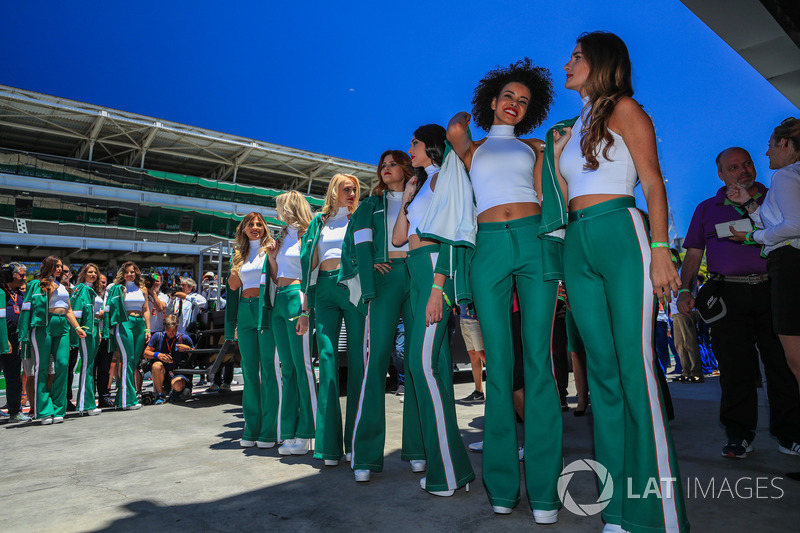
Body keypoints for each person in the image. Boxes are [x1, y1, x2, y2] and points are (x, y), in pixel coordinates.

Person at [547, 32, 689, 532]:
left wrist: (660, 250)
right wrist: (561, 153)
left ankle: (660, 516)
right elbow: (569, 195)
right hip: (578, 241)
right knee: (602, 377)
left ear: (600, 62)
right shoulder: (573, 124)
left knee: (636, 371)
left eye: (576, 57)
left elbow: (651, 181)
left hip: (621, 231)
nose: (567, 63)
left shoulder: (625, 108)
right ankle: (620, 510)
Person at [447, 58, 560, 520]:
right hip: (488, 247)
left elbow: (546, 195)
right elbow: (454, 125)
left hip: (534, 241)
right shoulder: (469, 148)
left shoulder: (535, 146)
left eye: (524, 100)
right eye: (508, 96)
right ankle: (501, 486)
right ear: (492, 101)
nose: (516, 104)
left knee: (539, 362)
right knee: (498, 365)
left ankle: (547, 492)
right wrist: (469, 129)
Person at [679, 145, 800, 459]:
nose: (742, 170)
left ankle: (790, 435)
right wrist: (684, 289)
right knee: (735, 369)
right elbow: (693, 254)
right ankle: (738, 435)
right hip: (727, 296)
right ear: (720, 175)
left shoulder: (777, 197)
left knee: (783, 367)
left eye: (747, 164)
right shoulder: (707, 208)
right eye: (733, 167)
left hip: (775, 291)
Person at [391, 124, 475, 497]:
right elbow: (397, 239)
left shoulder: (446, 177)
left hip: (431, 270)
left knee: (423, 366)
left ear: (431, 145)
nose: (410, 148)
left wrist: (439, 288)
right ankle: (448, 465)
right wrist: (407, 197)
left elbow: (454, 232)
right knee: (426, 367)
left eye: (415, 143)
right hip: (413, 269)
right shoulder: (424, 183)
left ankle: (450, 473)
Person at [343, 150, 427, 482]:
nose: (385, 169)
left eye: (392, 163)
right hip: (385, 277)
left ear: (407, 168)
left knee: (418, 361)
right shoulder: (368, 206)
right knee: (375, 360)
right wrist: (368, 279)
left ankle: (419, 449)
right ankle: (364, 455)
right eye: (383, 165)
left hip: (419, 274)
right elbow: (359, 245)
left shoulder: (424, 195)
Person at [726, 118, 800, 448]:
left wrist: (754, 235)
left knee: (795, 360)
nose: (766, 151)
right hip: (786, 264)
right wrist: (748, 203)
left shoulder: (784, 175)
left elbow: (794, 225)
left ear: (785, 145)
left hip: (789, 267)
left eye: (771, 143)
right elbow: (777, 219)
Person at [299, 173, 365, 466]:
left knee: (359, 363)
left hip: (354, 287)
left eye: (354, 189)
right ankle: (327, 446)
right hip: (323, 289)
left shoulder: (361, 217)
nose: (351, 193)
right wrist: (304, 309)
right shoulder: (318, 222)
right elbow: (308, 267)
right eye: (345, 188)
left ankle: (356, 442)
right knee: (326, 361)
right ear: (333, 191)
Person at [225, 212, 280, 448]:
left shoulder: (270, 248)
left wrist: (272, 255)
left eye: (259, 224)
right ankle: (251, 427)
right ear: (244, 229)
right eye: (251, 224)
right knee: (249, 371)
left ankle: (269, 429)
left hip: (265, 308)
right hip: (245, 312)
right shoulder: (239, 255)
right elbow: (234, 286)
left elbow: (277, 279)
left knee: (268, 370)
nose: (255, 227)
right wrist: (236, 264)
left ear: (264, 227)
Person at [271, 191, 317, 456]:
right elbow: (278, 274)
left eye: (280, 207)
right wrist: (274, 257)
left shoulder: (307, 233)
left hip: (297, 298)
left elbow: (311, 273)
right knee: (286, 369)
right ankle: (289, 432)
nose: (277, 212)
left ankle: (307, 432)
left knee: (302, 368)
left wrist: (306, 311)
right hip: (279, 297)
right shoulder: (282, 237)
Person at [19, 256, 87, 424]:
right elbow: (27, 308)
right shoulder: (36, 284)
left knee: (63, 365)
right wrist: (23, 335)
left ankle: (58, 408)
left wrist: (77, 327)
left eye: (60, 267)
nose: (59, 269)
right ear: (48, 267)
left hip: (62, 325)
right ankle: (43, 411)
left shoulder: (63, 287)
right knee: (42, 367)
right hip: (43, 325)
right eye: (56, 266)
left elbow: (69, 309)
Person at [105, 261, 151, 410]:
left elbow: (146, 310)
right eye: (127, 272)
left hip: (139, 324)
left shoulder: (142, 289)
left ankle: (122, 399)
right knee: (126, 359)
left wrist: (148, 329)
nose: (130, 274)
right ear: (122, 274)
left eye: (132, 272)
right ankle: (128, 400)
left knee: (133, 361)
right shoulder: (118, 288)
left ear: (136, 273)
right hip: (125, 323)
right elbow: (113, 308)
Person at [71, 263, 104, 416]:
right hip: (86, 330)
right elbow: (77, 311)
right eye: (90, 272)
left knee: (90, 366)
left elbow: (94, 313)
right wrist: (79, 329)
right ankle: (84, 405)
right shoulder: (81, 289)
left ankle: (88, 403)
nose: (93, 274)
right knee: (87, 366)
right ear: (84, 274)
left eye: (95, 272)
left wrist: (97, 329)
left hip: (95, 329)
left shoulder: (93, 290)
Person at [2, 262, 31, 423]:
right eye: (21, 275)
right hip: (2, 338)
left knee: (13, 377)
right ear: (11, 275)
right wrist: (4, 339)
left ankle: (14, 411)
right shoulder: (1, 292)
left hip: (15, 338)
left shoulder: (20, 294)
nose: (24, 278)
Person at [143, 314, 194, 404]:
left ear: (177, 327)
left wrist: (188, 349)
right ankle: (160, 394)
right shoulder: (157, 336)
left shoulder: (184, 338)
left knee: (178, 386)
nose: (171, 333)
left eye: (174, 330)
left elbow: (196, 354)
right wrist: (157, 355)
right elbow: (146, 353)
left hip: (178, 372)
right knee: (156, 365)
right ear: (165, 328)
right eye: (169, 330)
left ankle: (175, 391)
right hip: (163, 372)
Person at [94, 273, 114, 408]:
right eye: (100, 282)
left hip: (107, 335)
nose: (103, 284)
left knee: (104, 368)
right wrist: (99, 315)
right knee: (91, 368)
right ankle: (88, 397)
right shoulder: (90, 294)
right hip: (93, 334)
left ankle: (104, 396)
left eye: (104, 282)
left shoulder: (109, 296)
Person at [457, 305, 485, 405]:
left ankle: (497, 391)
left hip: (474, 317)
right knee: (473, 354)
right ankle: (479, 392)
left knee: (483, 354)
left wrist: (473, 306)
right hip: (464, 317)